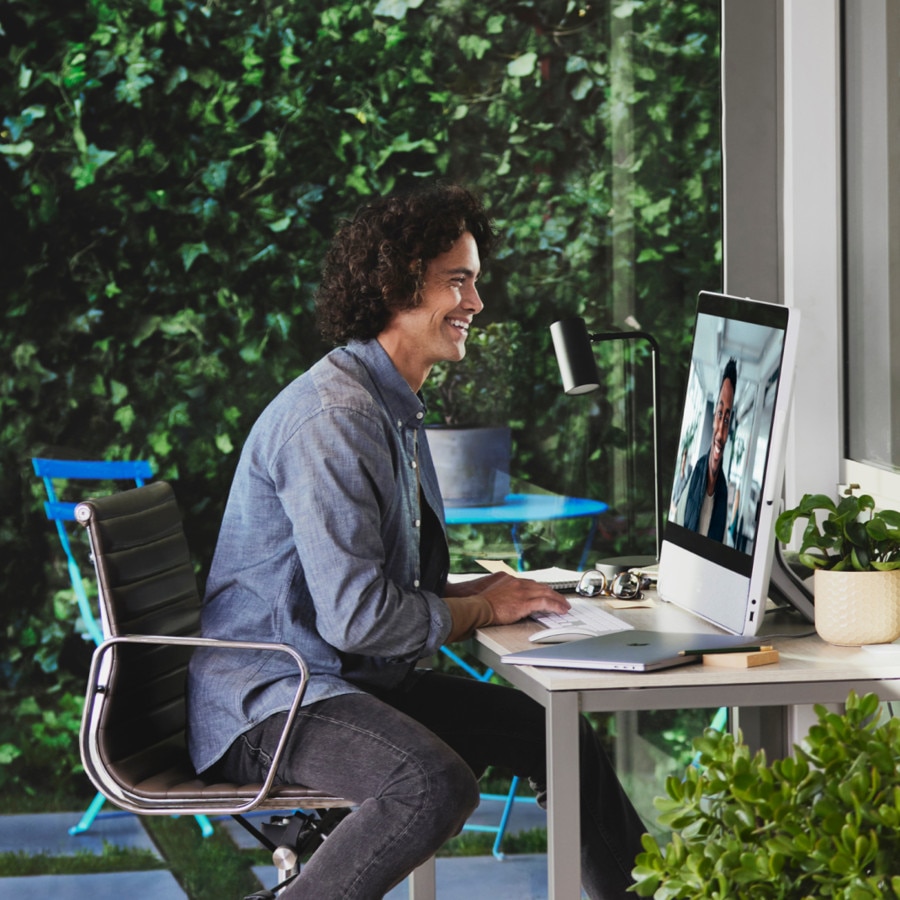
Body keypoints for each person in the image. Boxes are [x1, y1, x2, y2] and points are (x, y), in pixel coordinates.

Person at [187, 183, 645, 899]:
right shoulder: (335, 419)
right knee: (429, 785)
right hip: (277, 699)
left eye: (476, 281)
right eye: (457, 281)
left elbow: (383, 595)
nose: (476, 303)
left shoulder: (389, 406)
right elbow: (360, 618)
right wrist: (480, 612)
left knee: (554, 737)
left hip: (343, 678)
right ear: (394, 285)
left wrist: (486, 594)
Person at [678, 358, 737, 541]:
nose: (720, 431)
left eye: (726, 421)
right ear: (713, 419)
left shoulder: (724, 491)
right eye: (720, 415)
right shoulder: (695, 476)